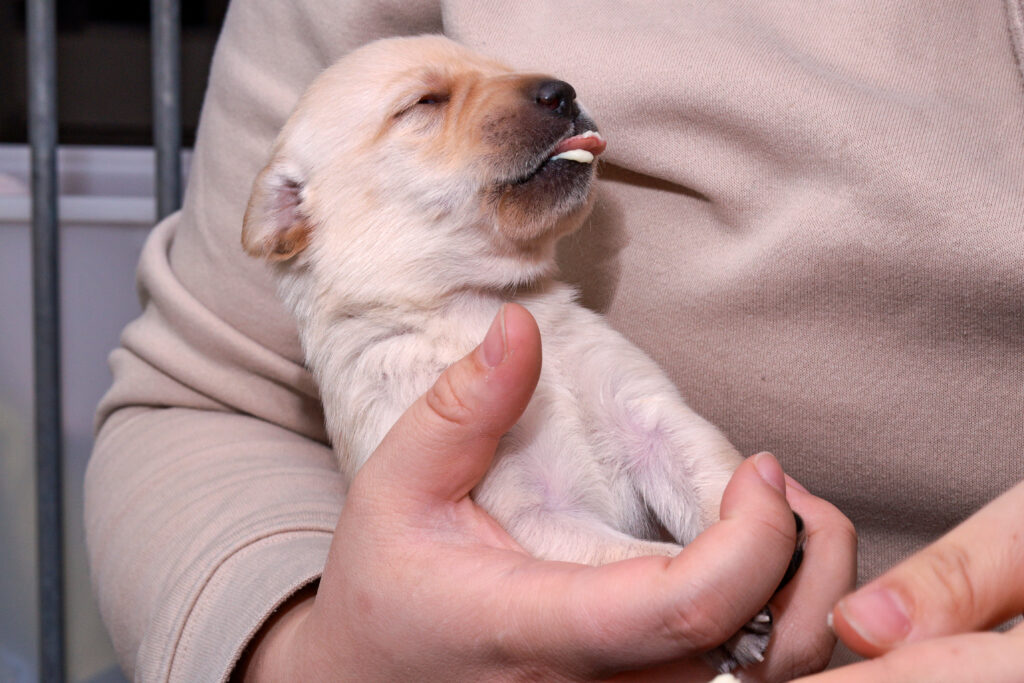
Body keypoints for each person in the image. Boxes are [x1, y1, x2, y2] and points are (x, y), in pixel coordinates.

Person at [84, 1, 1024, 681]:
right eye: (429, 104)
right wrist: (310, 656)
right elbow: (521, 539)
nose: (545, 95)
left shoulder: (548, 309)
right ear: (298, 210)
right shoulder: (399, 359)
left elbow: (668, 446)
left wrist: (746, 550)